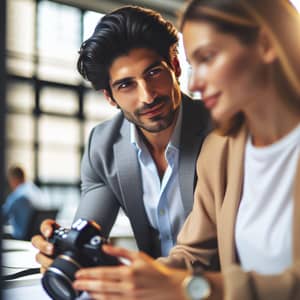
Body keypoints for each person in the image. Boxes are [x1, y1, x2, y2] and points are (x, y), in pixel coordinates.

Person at [60, 0, 299, 299]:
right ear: (109, 97)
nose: (195, 83)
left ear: (265, 45)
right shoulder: (220, 150)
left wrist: (191, 288)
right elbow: (192, 251)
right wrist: (133, 279)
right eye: (193, 63)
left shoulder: (215, 132)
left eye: (208, 58)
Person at [32, 5, 211, 267]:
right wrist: (64, 250)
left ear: (175, 66)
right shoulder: (102, 146)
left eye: (153, 73)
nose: (147, 96)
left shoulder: (220, 129)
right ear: (110, 97)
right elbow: (90, 229)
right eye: (126, 85)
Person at [2, 166, 45, 240]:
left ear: (13, 179)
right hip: (38, 237)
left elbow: (3, 216)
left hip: (21, 238)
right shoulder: (37, 191)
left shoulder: (18, 195)